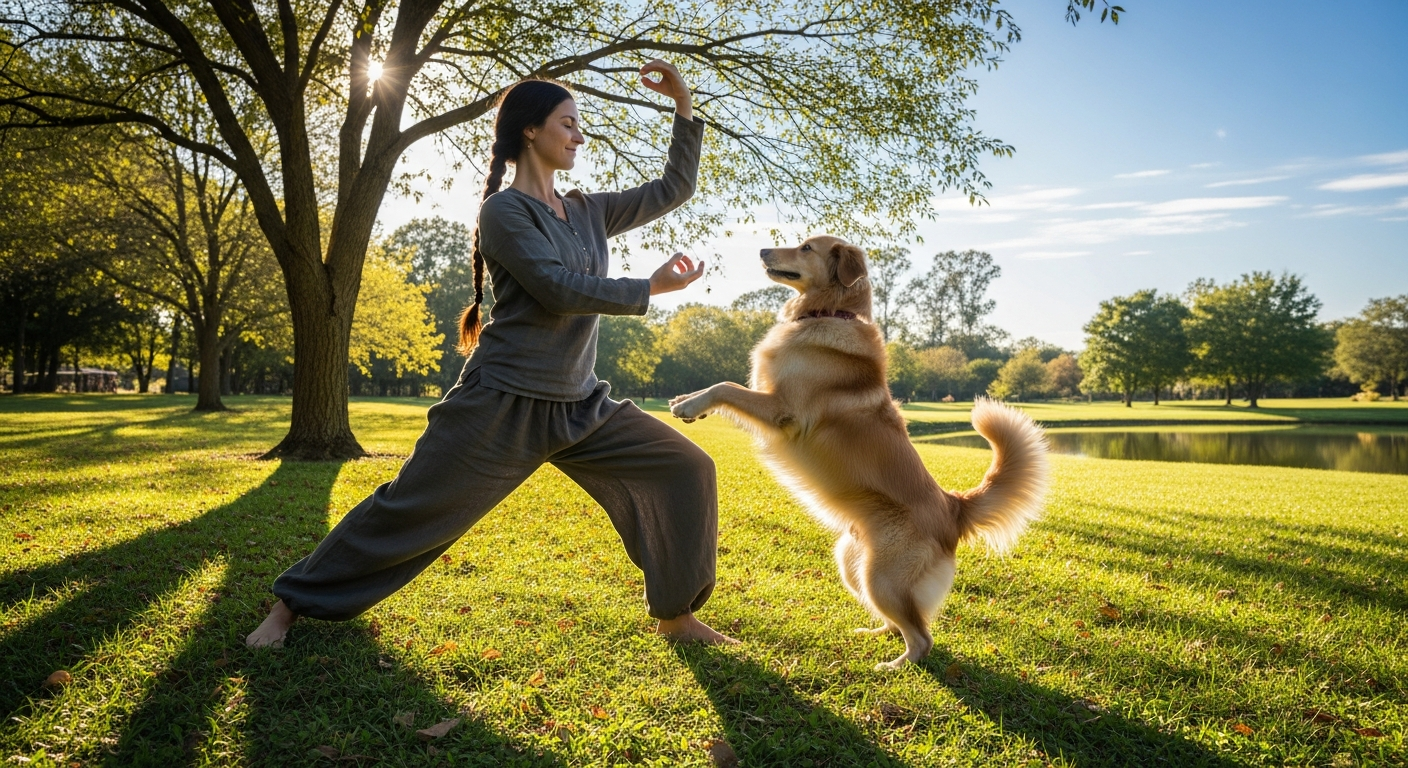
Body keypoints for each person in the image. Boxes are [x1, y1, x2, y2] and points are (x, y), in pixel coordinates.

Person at [247, 60, 734, 648]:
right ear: (530, 130)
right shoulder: (503, 212)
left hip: (580, 404)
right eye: (568, 124)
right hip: (502, 402)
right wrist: (648, 288)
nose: (579, 137)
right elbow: (555, 288)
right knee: (409, 509)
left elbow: (674, 188)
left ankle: (677, 618)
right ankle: (290, 604)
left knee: (686, 468)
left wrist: (683, 106)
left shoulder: (589, 211)